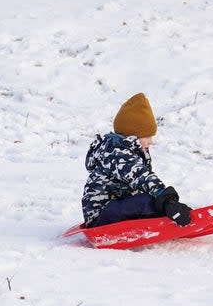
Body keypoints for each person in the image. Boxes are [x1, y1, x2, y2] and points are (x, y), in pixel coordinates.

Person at [80, 92, 193, 229]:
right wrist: (166, 201)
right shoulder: (116, 153)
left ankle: (168, 214)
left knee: (150, 199)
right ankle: (168, 213)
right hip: (101, 217)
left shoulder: (132, 150)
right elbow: (141, 177)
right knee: (147, 201)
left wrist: (165, 201)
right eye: (147, 137)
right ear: (133, 136)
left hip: (116, 207)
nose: (150, 141)